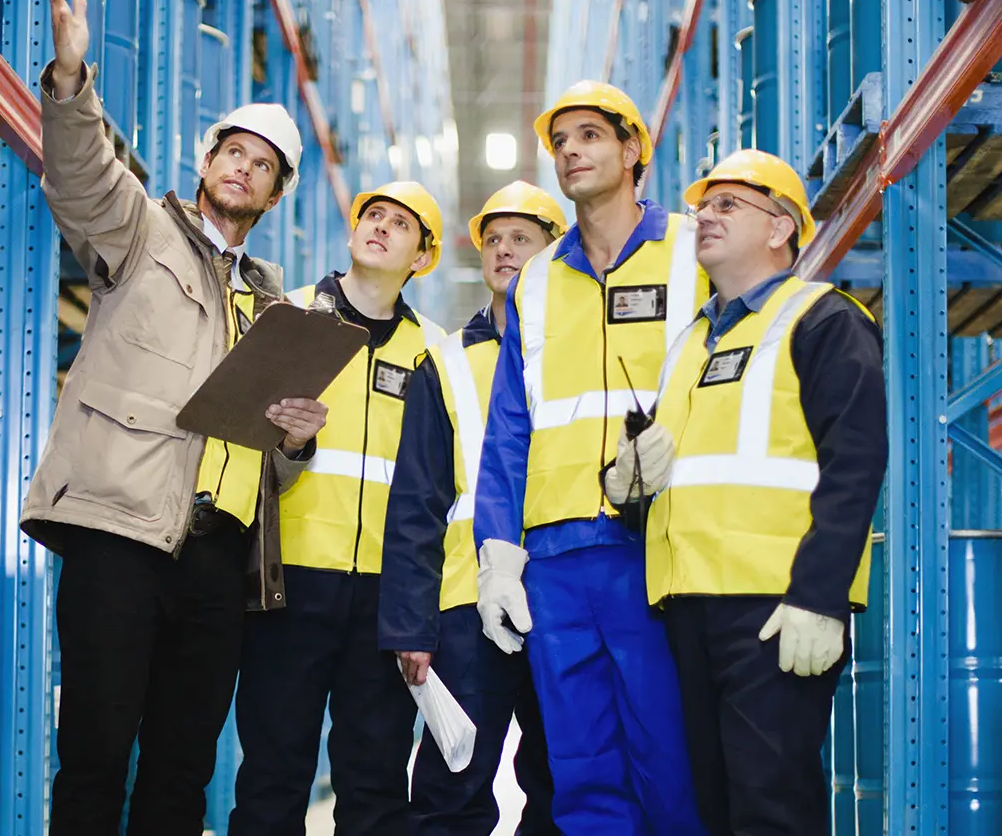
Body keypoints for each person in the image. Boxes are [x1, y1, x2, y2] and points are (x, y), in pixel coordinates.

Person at [22, 0, 330, 835]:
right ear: (206, 161)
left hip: (218, 561)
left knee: (183, 768)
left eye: (262, 165)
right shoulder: (142, 230)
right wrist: (73, 81)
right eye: (234, 151)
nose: (244, 167)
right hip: (123, 534)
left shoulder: (276, 303)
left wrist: (298, 441)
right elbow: (82, 177)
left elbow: (269, 443)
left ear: (274, 195)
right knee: (95, 749)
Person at [621, 150, 887, 835]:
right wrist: (626, 483)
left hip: (775, 610)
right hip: (686, 608)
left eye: (728, 204)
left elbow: (855, 463)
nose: (704, 215)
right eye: (703, 206)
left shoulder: (824, 320)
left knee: (772, 805)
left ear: (781, 228)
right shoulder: (691, 343)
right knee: (713, 806)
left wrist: (820, 597)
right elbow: (676, 475)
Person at [472, 81, 709, 834]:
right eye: (561, 141)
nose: (571, 150)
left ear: (633, 147)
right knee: (580, 769)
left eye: (589, 136)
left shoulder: (691, 248)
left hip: (655, 546)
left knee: (670, 758)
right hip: (555, 557)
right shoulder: (540, 278)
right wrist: (498, 554)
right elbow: (511, 425)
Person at [230, 181, 447, 836]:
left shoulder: (435, 353)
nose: (380, 226)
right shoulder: (287, 316)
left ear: (422, 255)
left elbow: (443, 485)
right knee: (271, 772)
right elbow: (234, 441)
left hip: (387, 595)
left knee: (376, 780)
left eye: (400, 223)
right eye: (371, 214)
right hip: (289, 581)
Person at [379, 181, 567, 836]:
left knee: (563, 786)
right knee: (450, 790)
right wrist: (410, 624)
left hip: (565, 598)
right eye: (493, 239)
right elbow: (415, 505)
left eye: (522, 238)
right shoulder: (447, 363)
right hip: (464, 610)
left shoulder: (579, 353)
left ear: (556, 250)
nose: (504, 250)